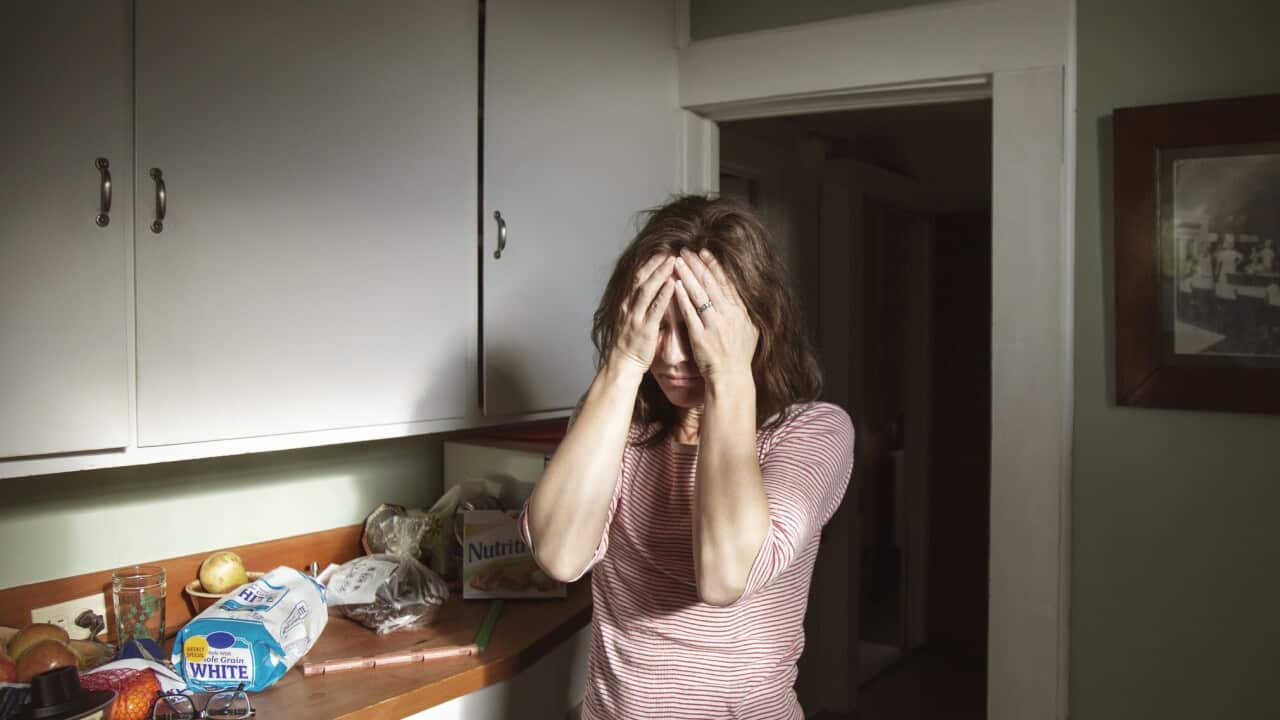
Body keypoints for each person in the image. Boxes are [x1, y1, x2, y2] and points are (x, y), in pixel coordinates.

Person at [519, 195, 854, 720]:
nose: (673, 356)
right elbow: (560, 556)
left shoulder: (811, 431)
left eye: (698, 326)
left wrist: (728, 375)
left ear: (756, 322)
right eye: (657, 325)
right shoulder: (615, 415)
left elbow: (723, 577)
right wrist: (624, 362)